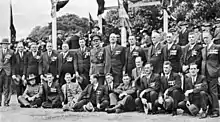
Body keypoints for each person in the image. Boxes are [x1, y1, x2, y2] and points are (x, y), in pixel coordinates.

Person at [201, 32, 220, 117]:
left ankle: (216, 110)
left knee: (213, 92)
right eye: (204, 38)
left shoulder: (217, 47)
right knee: (207, 92)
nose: (205, 39)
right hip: (205, 73)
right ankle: (210, 109)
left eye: (207, 37)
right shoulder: (203, 49)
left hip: (214, 73)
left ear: (211, 37)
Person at [0, 38, 14, 106]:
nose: (5, 45)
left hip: (7, 71)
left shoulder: (11, 52)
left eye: (6, 44)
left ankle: (6, 102)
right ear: (1, 44)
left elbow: (13, 63)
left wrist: (12, 72)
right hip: (0, 71)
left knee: (7, 87)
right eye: (3, 44)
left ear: (8, 45)